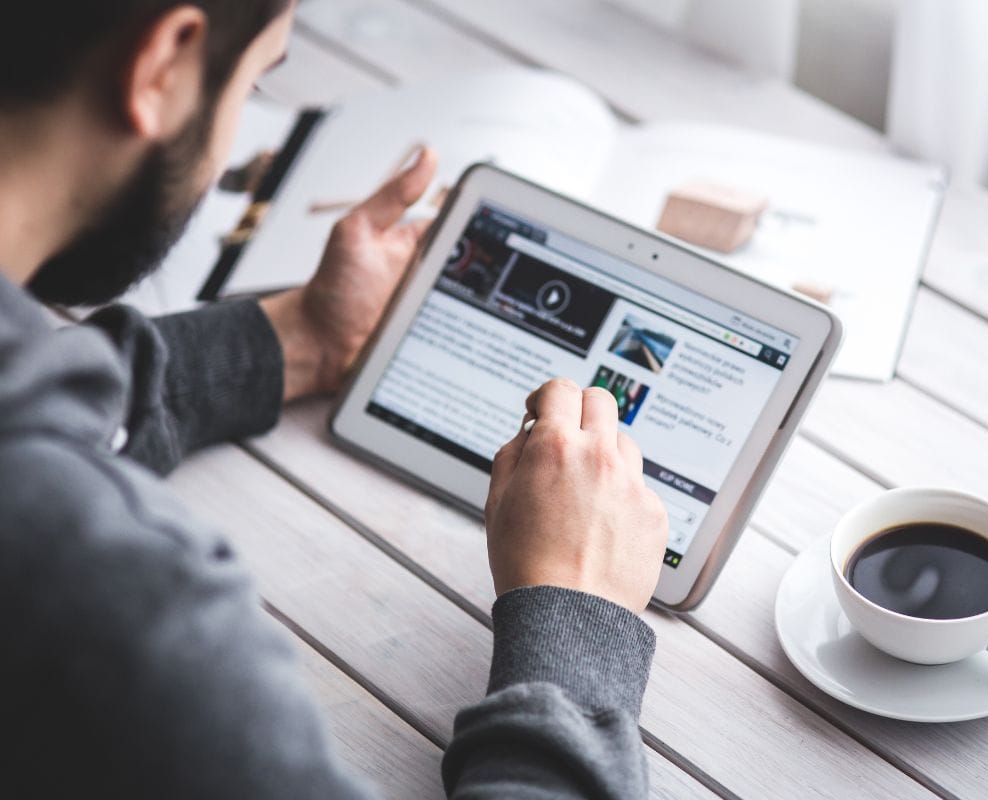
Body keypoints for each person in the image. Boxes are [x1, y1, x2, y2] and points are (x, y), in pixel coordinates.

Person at [0, 2, 669, 797]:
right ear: (164, 65)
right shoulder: (113, 604)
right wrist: (576, 615)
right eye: (252, 86)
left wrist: (297, 339)